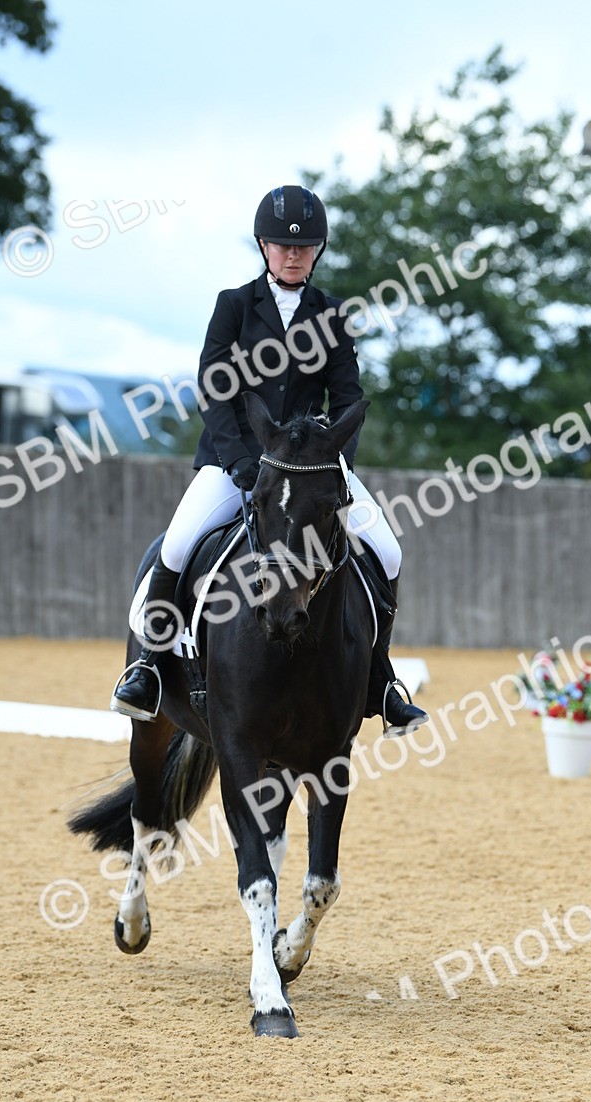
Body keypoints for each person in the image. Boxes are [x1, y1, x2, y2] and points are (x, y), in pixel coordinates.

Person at [111, 184, 428, 736]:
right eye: (282, 244)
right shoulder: (234, 305)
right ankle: (147, 669)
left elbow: (348, 398)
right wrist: (238, 462)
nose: (292, 254)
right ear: (263, 246)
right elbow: (215, 388)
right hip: (233, 462)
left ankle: (379, 679)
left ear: (318, 251)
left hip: (310, 470)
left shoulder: (331, 314)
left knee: (389, 552)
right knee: (180, 544)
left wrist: (334, 463)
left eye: (303, 247)